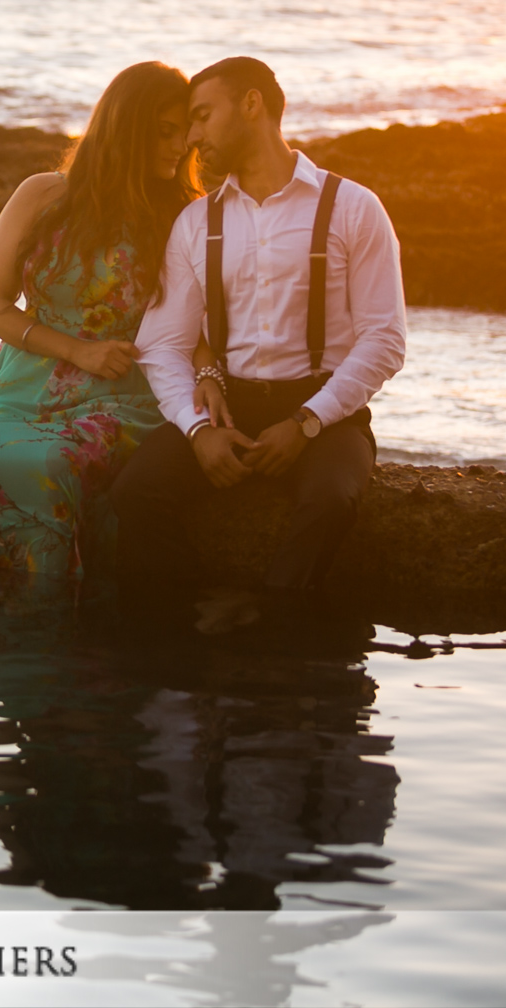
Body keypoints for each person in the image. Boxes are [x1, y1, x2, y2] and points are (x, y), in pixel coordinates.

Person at [115, 56, 406, 620]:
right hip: (230, 409)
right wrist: (199, 431)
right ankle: (188, 625)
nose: (192, 137)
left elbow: (384, 339)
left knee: (331, 501)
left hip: (326, 414)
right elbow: (164, 344)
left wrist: (305, 422)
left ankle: (277, 623)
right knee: (135, 493)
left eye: (202, 116)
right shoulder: (196, 223)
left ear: (252, 104)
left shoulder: (353, 208)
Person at [0, 61, 202, 576]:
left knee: (54, 463)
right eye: (166, 133)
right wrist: (77, 350)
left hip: (126, 391)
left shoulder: (184, 215)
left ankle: (62, 614)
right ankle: (13, 621)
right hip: (23, 382)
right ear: (127, 128)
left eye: (186, 137)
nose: (179, 148)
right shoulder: (42, 195)